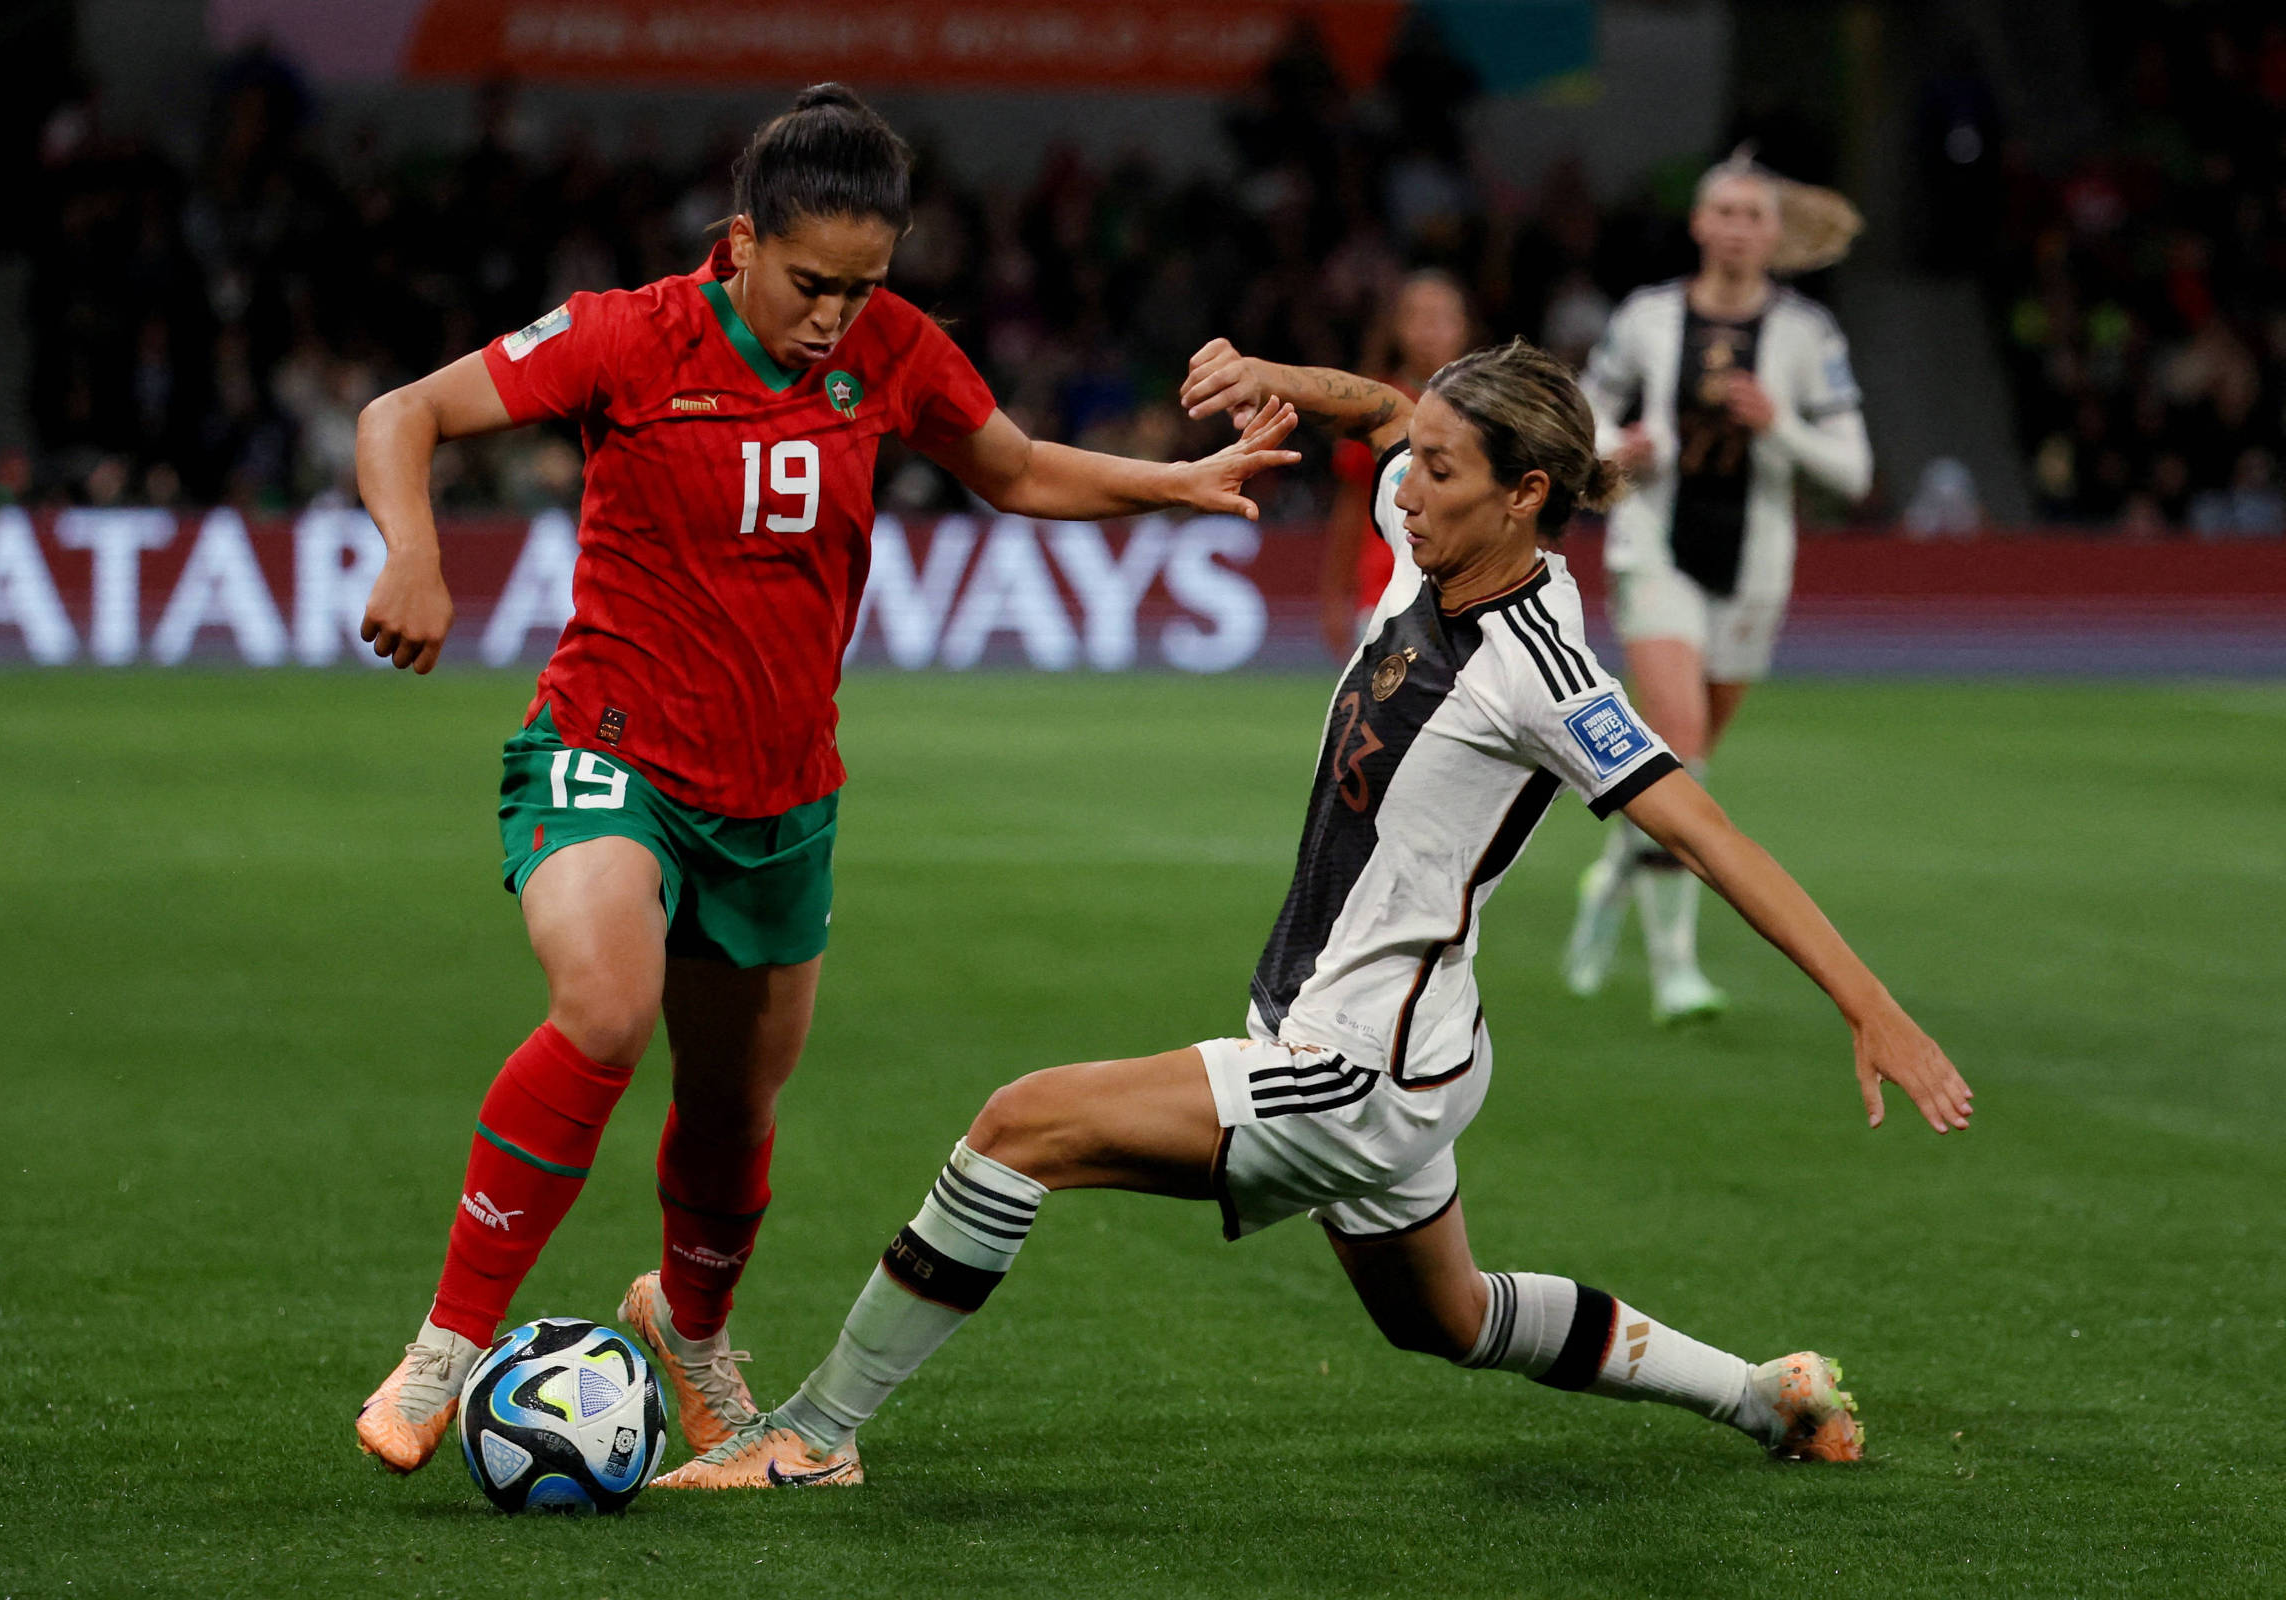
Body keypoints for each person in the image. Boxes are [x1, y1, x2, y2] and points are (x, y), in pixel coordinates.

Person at [654, 338, 1972, 1490]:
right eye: (1420, 461)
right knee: (1443, 1320)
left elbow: (1709, 832)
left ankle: (814, 1436)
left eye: (1444, 471)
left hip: (1356, 1070)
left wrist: (1873, 1008)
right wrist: (1275, 381)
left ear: (1526, 497)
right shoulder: (1440, 535)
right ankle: (1762, 1393)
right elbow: (1389, 406)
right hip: (1407, 1036)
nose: (1410, 483)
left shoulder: (1544, 671)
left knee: (1019, 1128)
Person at [349, 84, 1301, 1475]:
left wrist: (1172, 484)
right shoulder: (630, 333)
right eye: (811, 283)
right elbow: (402, 413)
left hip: (781, 798)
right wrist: (411, 554)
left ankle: (688, 1327)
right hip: (607, 750)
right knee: (607, 1010)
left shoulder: (893, 351)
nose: (834, 317)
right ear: (740, 242)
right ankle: (444, 1351)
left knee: (734, 1110)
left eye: (864, 288)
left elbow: (1016, 468)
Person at [1564, 151, 1873, 1023]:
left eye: (1754, 215)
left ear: (1776, 234)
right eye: (1724, 213)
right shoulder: (1649, 319)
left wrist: (1780, 429)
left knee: (1684, 771)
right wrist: (1620, 452)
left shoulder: (1809, 336)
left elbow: (1853, 470)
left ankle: (1615, 874)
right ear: (1699, 225)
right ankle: (1675, 972)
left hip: (1755, 568)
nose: (1738, 229)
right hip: (1653, 550)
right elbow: (1580, 419)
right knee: (1682, 745)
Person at [1318, 271, 1475, 657]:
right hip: (1386, 595)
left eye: (1441, 318)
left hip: (1473, 598)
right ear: (1397, 328)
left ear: (1464, 328)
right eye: (1417, 317)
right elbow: (1351, 510)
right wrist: (1335, 596)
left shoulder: (1490, 409)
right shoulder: (1374, 407)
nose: (1429, 331)